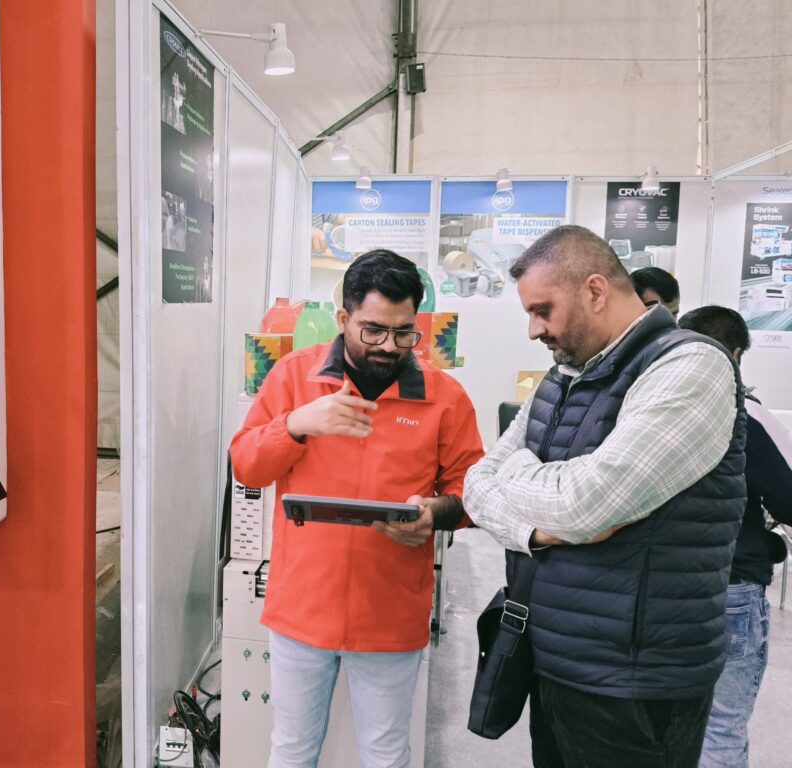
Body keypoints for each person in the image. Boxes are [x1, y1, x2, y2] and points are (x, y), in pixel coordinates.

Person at [464, 225, 746, 768]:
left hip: (635, 684)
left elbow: (585, 506)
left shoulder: (691, 366)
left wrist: (517, 471)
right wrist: (532, 532)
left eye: (542, 310)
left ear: (595, 290)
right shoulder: (563, 377)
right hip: (554, 661)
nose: (533, 329)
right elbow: (477, 486)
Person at [230, 249, 484, 768]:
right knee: (292, 751)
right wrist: (296, 425)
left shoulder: (444, 397)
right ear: (343, 317)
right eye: (373, 330)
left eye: (403, 332)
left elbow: (475, 490)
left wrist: (435, 513)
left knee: (386, 755)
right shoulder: (294, 377)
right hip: (302, 607)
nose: (389, 346)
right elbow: (247, 467)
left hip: (390, 611)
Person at [677, 306, 792, 768]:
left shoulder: (643, 411)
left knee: (663, 724)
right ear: (737, 354)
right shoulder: (742, 414)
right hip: (730, 584)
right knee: (720, 728)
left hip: (656, 589)